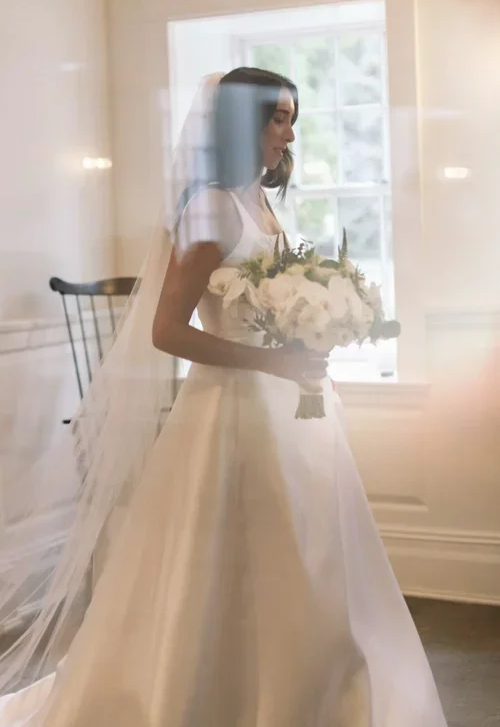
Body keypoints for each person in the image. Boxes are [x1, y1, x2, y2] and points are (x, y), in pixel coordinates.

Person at [0, 68, 448, 726]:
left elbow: (267, 302)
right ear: (245, 122)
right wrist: (273, 360)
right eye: (279, 118)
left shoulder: (257, 200)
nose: (289, 134)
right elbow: (166, 330)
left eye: (292, 119)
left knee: (306, 558)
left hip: (285, 406)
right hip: (232, 411)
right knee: (241, 564)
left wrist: (312, 334)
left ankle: (312, 696)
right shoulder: (209, 207)